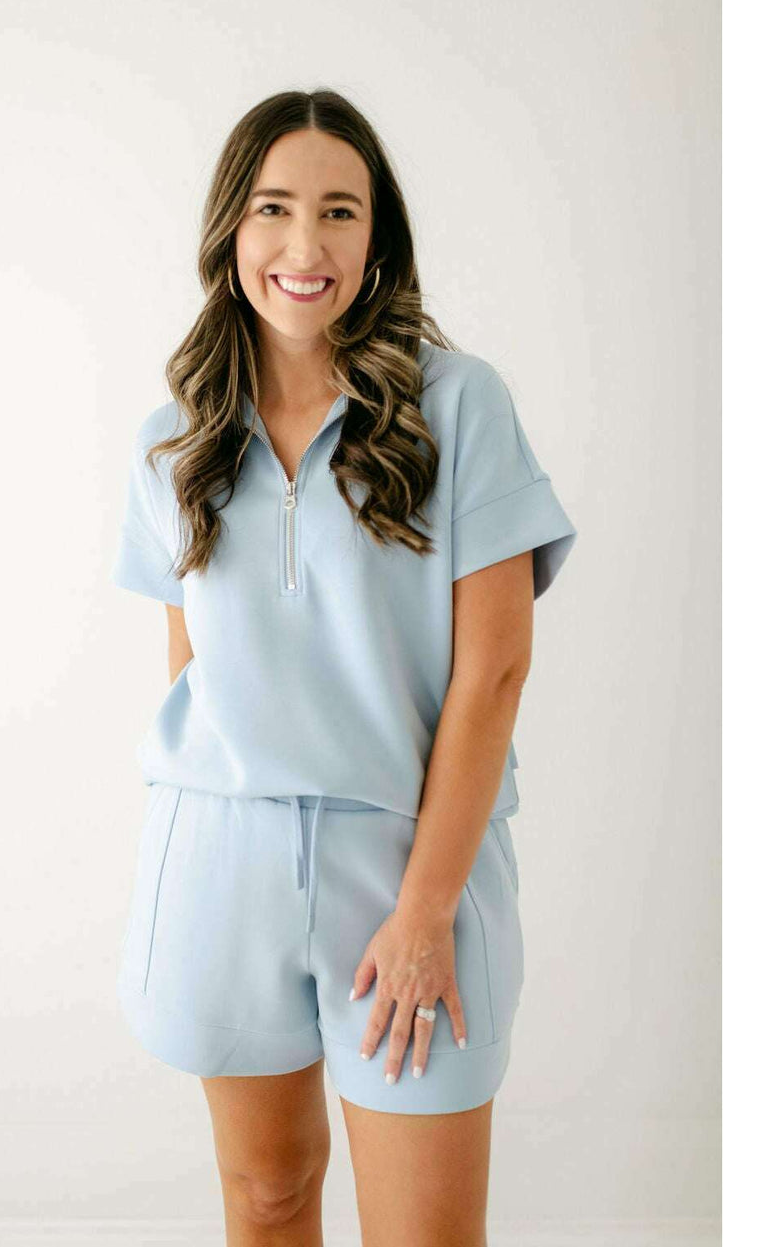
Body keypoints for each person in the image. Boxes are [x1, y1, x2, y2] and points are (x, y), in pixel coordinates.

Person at [111, 89, 578, 1245]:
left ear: (377, 237)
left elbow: (494, 672)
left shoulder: (458, 406)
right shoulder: (173, 439)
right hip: (220, 867)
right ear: (231, 229)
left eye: (338, 210)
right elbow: (187, 668)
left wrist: (424, 909)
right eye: (273, 208)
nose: (303, 244)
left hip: (409, 868)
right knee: (265, 1199)